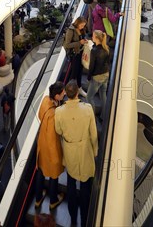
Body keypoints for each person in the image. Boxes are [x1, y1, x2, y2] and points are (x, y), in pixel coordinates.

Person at [55, 80, 98, 227]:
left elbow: (58, 131)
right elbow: (93, 134)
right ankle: (85, 218)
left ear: (66, 93)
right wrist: (95, 150)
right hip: (85, 150)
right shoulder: (88, 109)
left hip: (69, 152)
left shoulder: (59, 112)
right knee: (85, 188)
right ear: (78, 93)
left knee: (71, 185)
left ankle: (73, 218)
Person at [35, 81, 65, 210]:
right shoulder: (54, 115)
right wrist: (56, 159)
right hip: (50, 146)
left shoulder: (46, 100)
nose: (64, 93)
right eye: (62, 92)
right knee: (54, 174)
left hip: (41, 143)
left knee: (41, 170)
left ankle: (38, 199)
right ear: (57, 96)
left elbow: (39, 115)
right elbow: (53, 139)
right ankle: (53, 200)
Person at [86, 30, 110, 122]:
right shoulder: (106, 48)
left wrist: (88, 77)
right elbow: (107, 63)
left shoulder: (94, 51)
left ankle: (92, 118)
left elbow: (91, 66)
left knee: (89, 97)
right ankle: (104, 116)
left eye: (93, 36)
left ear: (96, 38)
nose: (92, 37)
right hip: (106, 74)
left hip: (97, 77)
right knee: (103, 94)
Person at [63, 17, 88, 97]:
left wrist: (84, 41)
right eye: (81, 25)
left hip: (81, 52)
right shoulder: (71, 31)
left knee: (80, 71)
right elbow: (66, 45)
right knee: (74, 73)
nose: (82, 27)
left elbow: (81, 39)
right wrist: (79, 42)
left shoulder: (81, 29)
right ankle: (70, 91)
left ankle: (79, 88)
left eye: (84, 25)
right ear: (77, 23)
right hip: (74, 55)